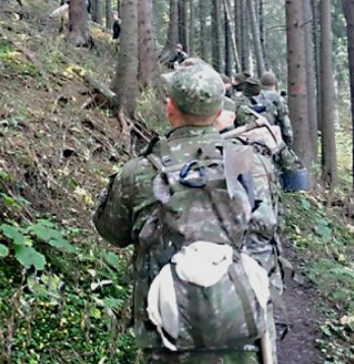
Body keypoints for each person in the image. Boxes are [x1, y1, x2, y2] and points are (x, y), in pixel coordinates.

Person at [93, 59, 280, 363]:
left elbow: (111, 231)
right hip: (244, 326)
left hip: (168, 333)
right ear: (221, 113)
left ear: (170, 108)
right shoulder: (253, 164)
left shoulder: (140, 172)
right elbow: (266, 236)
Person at [258, 72, 293, 147]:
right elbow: (284, 121)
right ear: (274, 83)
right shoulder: (278, 99)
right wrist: (288, 140)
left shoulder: (255, 96)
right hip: (273, 136)